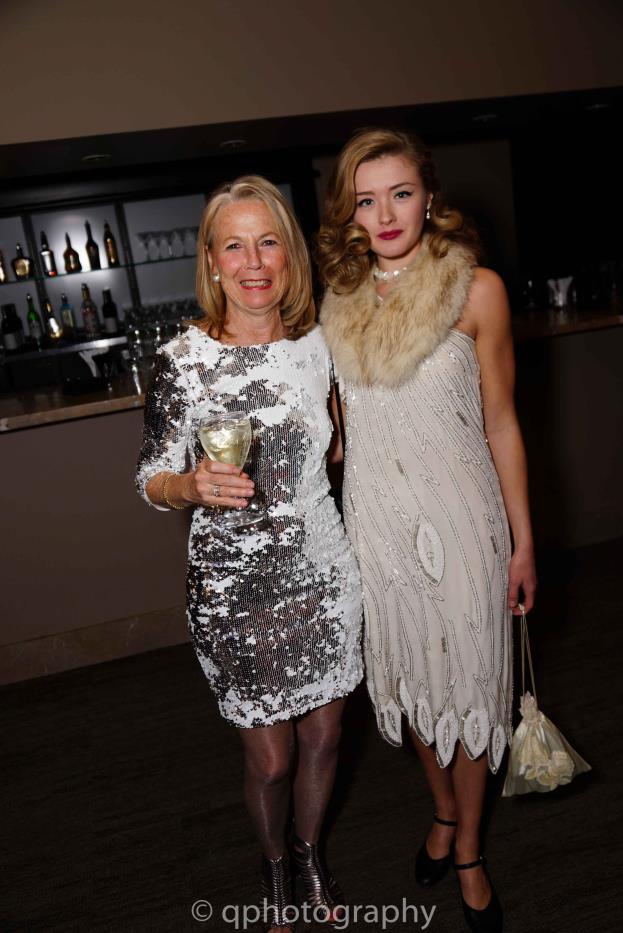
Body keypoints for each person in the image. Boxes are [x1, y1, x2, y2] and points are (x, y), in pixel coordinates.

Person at [317, 129, 537, 933]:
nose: (384, 215)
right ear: (349, 213)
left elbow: (501, 423)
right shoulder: (334, 305)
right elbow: (337, 436)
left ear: (429, 197)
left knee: (469, 683)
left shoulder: (475, 290)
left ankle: (469, 845)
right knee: (411, 683)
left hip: (464, 522)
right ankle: (441, 807)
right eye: (366, 200)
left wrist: (522, 541)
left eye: (400, 194)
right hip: (376, 526)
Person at [136, 176, 362, 933]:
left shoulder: (320, 345)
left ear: (290, 253)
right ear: (210, 260)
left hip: (322, 571)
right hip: (233, 588)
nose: (253, 262)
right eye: (234, 246)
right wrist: (188, 484)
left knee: (325, 738)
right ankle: (273, 868)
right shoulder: (182, 360)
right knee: (271, 759)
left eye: (268, 242)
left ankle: (309, 853)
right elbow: (149, 477)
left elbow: (341, 444)